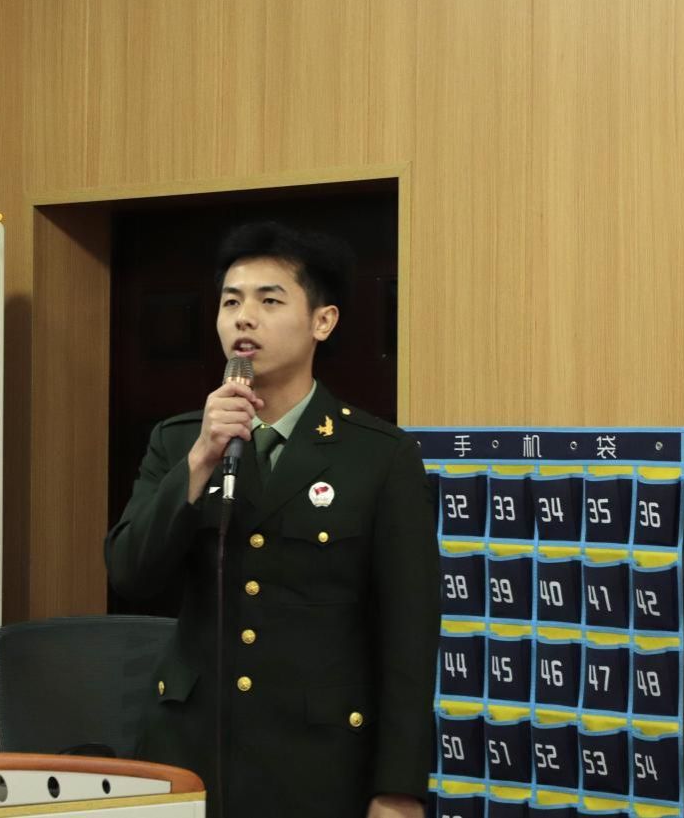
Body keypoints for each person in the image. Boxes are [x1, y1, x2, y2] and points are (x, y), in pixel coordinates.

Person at [105, 221, 438, 818]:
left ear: (323, 322)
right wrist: (200, 460)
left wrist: (399, 787)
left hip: (315, 761)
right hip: (188, 753)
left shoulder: (380, 456)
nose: (244, 319)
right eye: (231, 302)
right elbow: (129, 574)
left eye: (269, 301)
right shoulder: (179, 442)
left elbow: (408, 636)